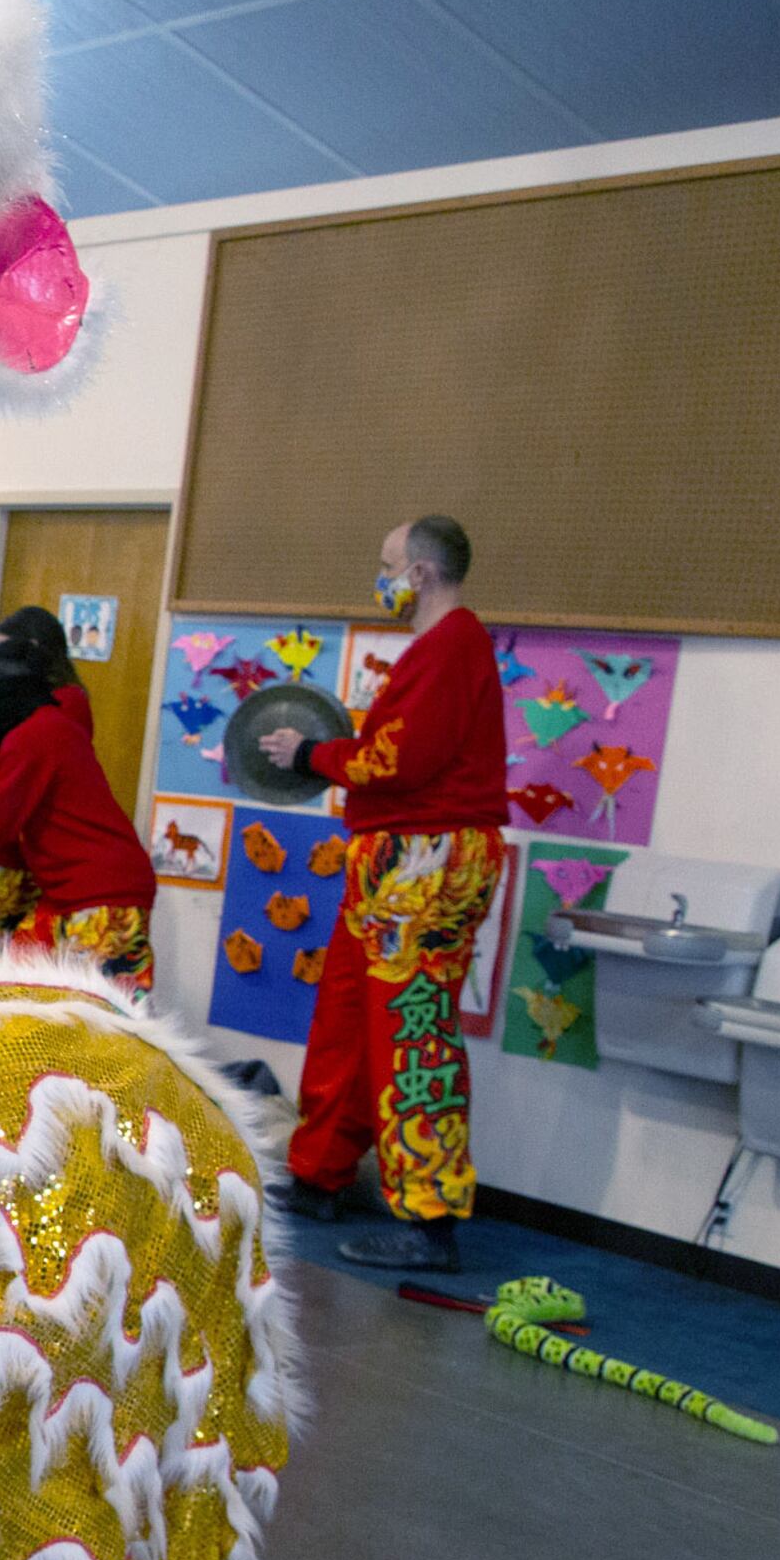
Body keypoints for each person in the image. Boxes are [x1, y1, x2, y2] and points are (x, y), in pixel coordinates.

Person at [258, 512, 509, 1272]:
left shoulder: (452, 646)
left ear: (421, 574)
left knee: (413, 1028)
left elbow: (394, 761)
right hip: (393, 862)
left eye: (387, 563)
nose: (381, 576)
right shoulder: (434, 650)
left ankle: (430, 1221)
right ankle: (320, 1171)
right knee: (347, 1014)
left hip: (427, 861)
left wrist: (311, 753)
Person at [0, 605, 156, 991]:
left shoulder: (39, 731)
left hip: (98, 895)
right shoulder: (45, 723)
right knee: (25, 990)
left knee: (101, 1017)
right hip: (76, 889)